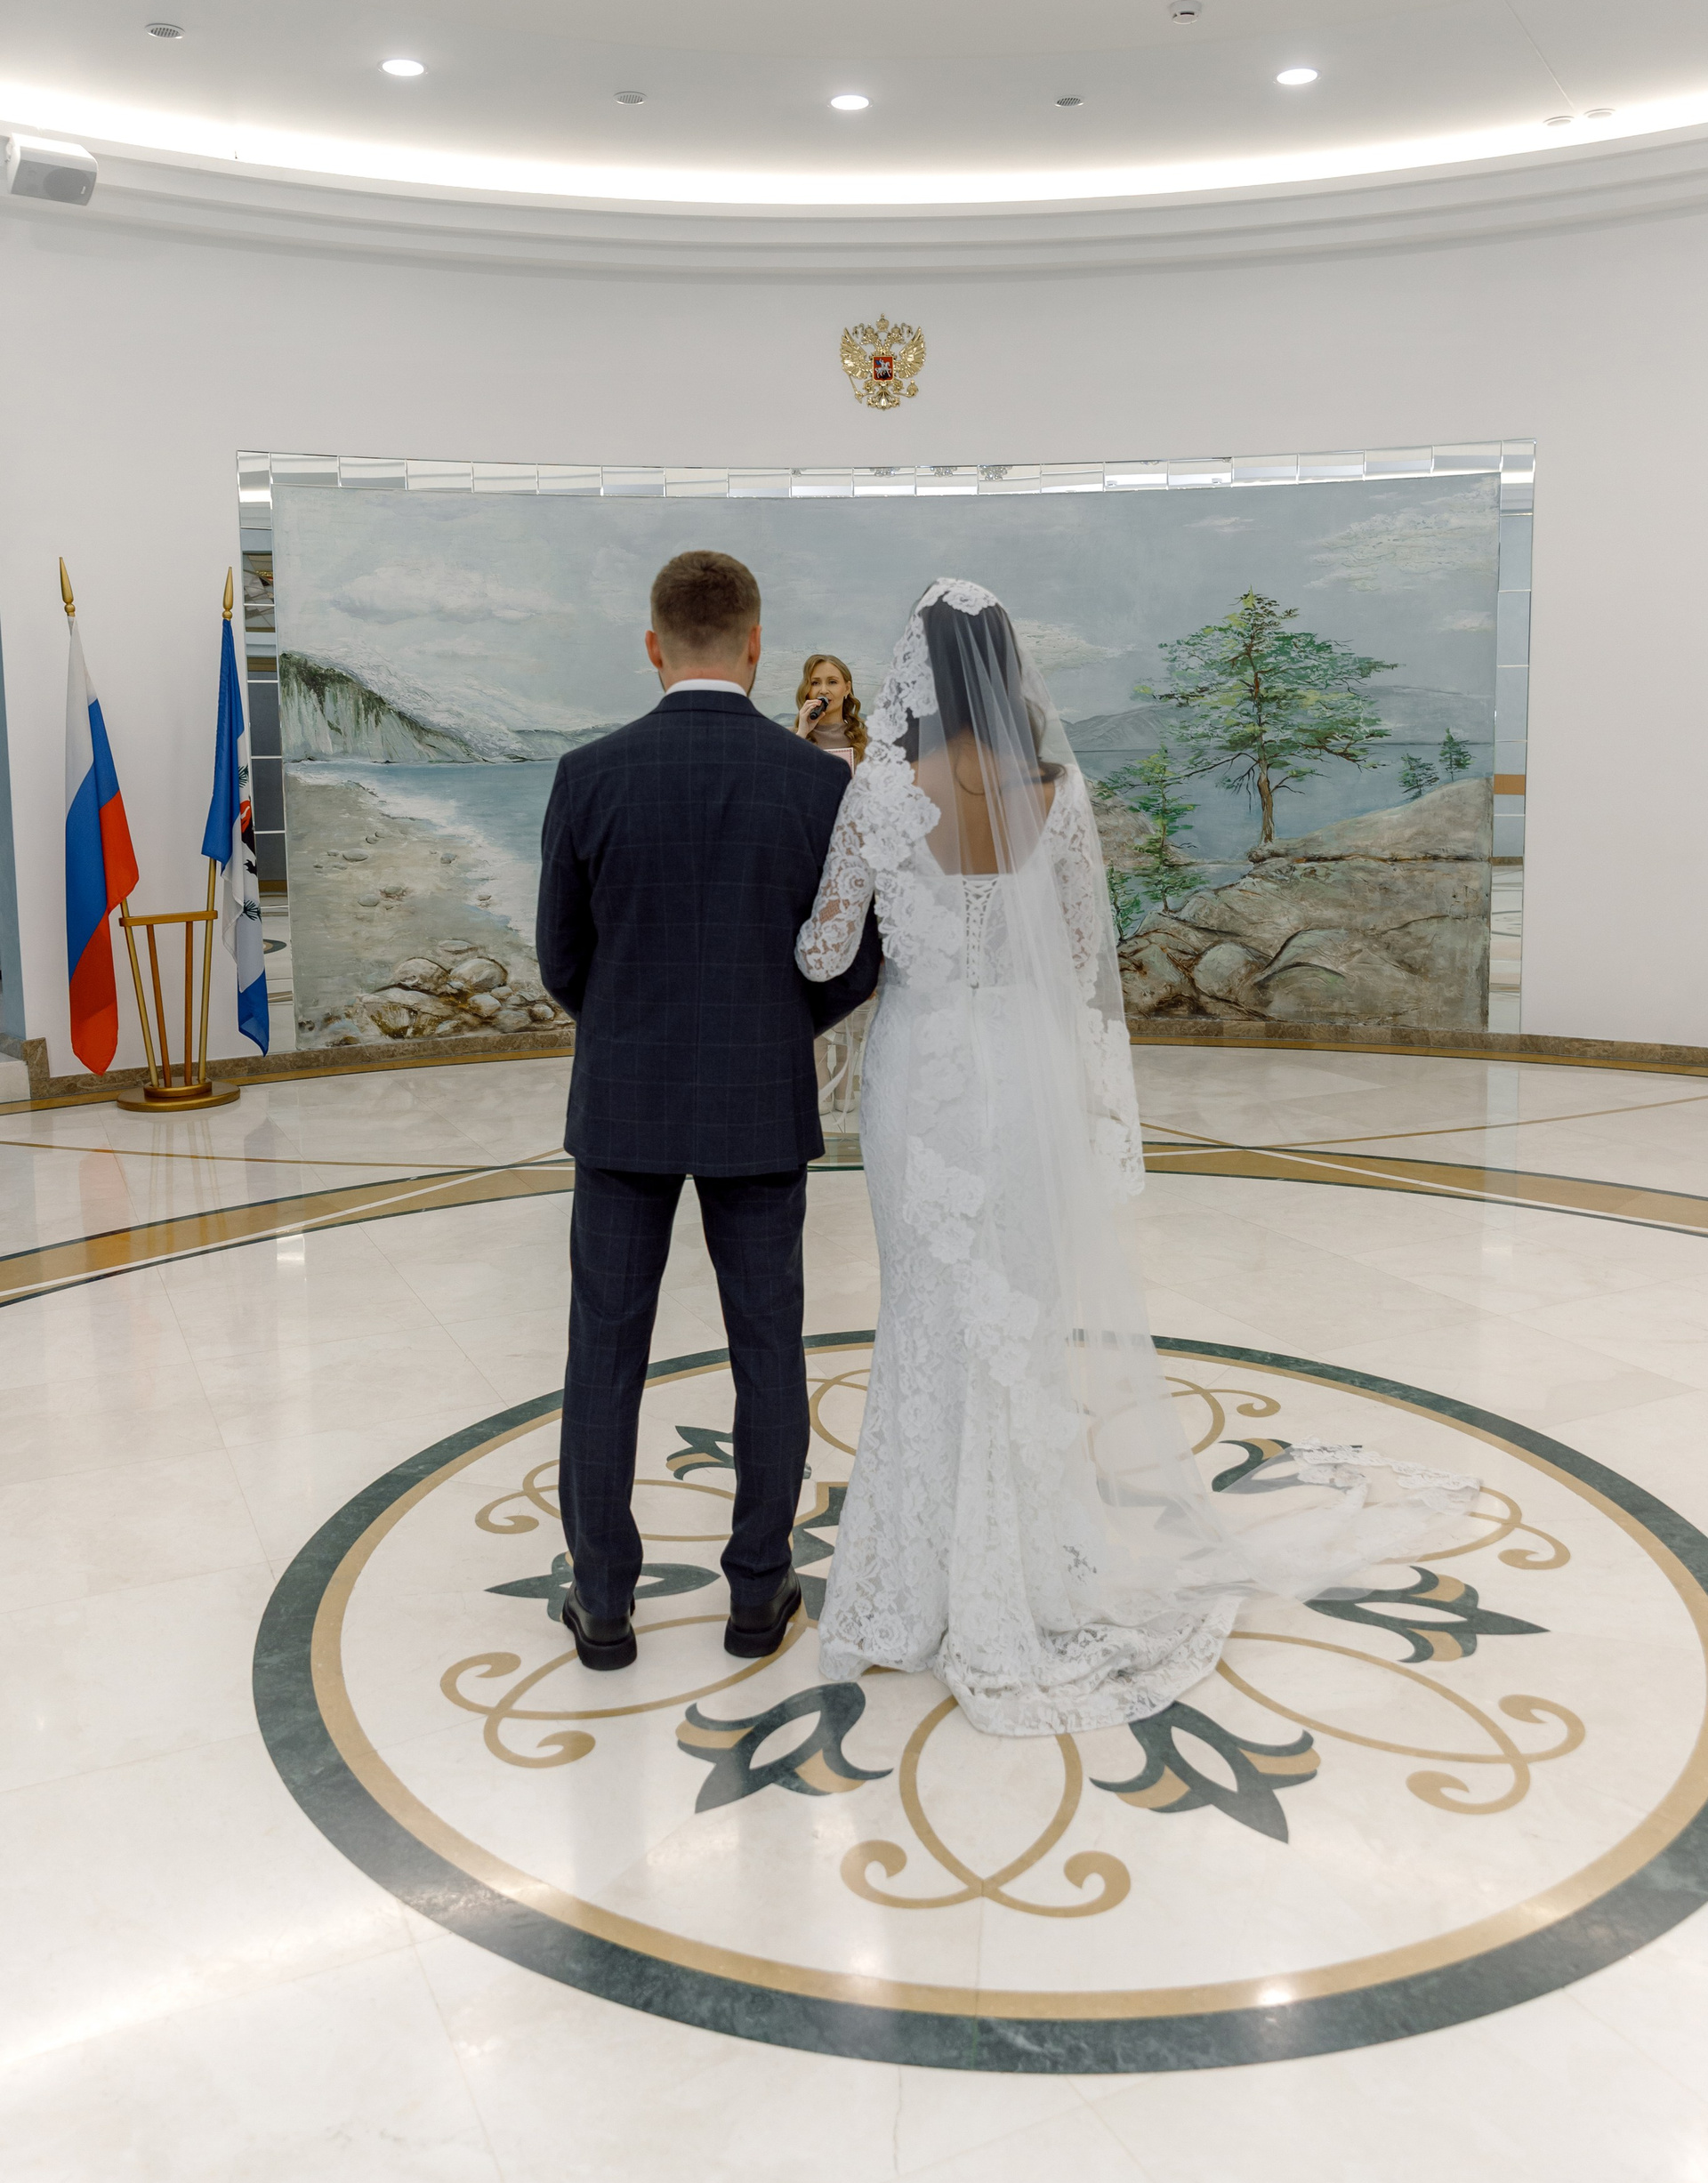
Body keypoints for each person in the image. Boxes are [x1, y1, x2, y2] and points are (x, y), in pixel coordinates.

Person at [795, 579, 1474, 1737]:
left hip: (924, 1082)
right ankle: (1036, 1570)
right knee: (1020, 1315)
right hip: (1025, 1075)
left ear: (914, 672)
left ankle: (910, 1590)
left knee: (925, 1314)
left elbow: (823, 954)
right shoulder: (1053, 792)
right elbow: (1078, 956)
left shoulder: (876, 789)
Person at [536, 550, 882, 1672]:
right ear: (756, 646)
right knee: (769, 1348)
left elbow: (561, 959)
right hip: (759, 1102)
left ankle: (602, 1600)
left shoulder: (588, 775)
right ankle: (756, 1591)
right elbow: (854, 961)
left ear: (653, 644)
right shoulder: (817, 784)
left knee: (604, 1351)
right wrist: (774, 1025)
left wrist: (629, 1023)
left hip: (623, 1102)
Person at [794, 654, 867, 775]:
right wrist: (801, 735)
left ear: (847, 688)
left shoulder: (866, 739)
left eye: (832, 682)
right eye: (815, 683)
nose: (823, 690)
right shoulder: (791, 738)